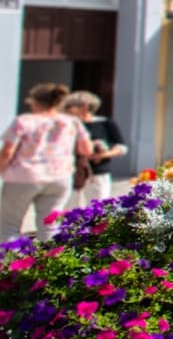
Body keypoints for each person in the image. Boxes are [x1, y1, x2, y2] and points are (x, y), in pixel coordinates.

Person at [0, 83, 92, 239]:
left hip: (23, 177)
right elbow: (86, 150)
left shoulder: (24, 121)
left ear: (35, 101)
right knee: (50, 227)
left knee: (9, 226)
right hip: (60, 177)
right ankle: (49, 262)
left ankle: (8, 262)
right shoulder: (72, 121)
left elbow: (8, 151)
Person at [63, 91, 125, 207]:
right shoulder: (66, 124)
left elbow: (121, 147)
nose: (65, 109)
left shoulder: (105, 123)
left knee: (97, 208)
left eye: (69, 106)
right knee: (69, 209)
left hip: (98, 172)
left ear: (85, 107)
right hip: (71, 171)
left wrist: (102, 155)